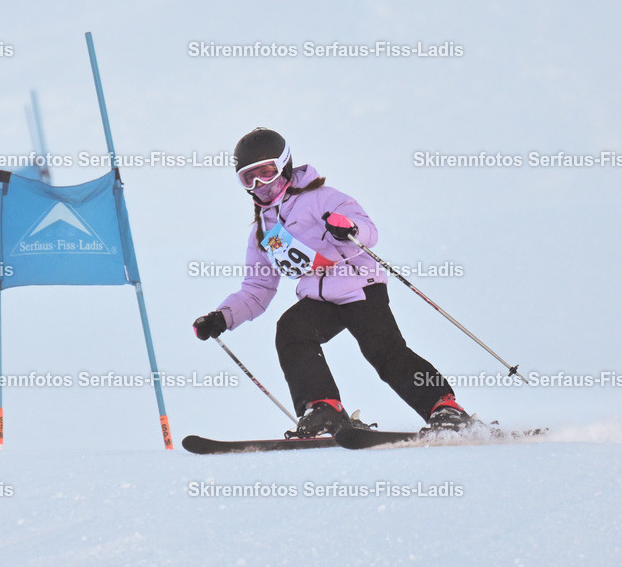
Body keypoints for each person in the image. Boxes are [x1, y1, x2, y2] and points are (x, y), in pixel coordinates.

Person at [193, 127, 470, 438]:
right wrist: (223, 317)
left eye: (267, 173)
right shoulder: (262, 232)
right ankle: (323, 408)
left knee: (383, 350)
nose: (260, 185)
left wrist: (348, 228)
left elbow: (368, 230)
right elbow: (257, 289)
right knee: (292, 331)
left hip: (359, 288)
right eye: (249, 178)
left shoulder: (321, 198)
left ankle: (444, 408)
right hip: (320, 300)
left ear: (284, 166)